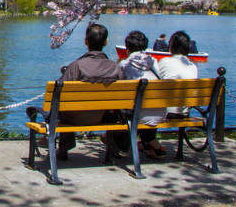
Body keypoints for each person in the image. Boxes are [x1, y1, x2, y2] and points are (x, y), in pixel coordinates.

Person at [58, 23, 123, 160]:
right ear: (106, 42)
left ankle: (64, 147)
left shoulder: (77, 66)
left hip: (74, 118)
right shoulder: (115, 67)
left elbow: (59, 94)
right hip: (101, 116)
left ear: (86, 41)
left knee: (63, 106)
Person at [118, 30, 167, 159]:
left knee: (122, 107)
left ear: (127, 48)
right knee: (143, 104)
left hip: (137, 115)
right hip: (159, 112)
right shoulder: (154, 62)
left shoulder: (125, 65)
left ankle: (121, 145)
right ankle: (150, 143)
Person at [158, 30, 198, 117]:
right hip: (184, 112)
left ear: (172, 46)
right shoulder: (193, 65)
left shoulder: (164, 62)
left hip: (166, 111)